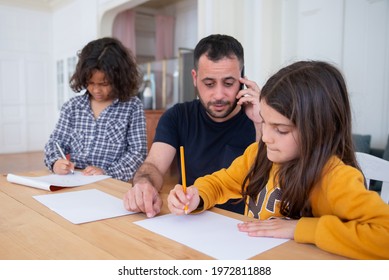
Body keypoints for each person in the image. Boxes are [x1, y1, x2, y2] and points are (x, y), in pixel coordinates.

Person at [167, 60, 389, 259]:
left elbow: (384, 234)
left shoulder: (334, 177)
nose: (266, 137)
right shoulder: (258, 154)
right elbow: (220, 183)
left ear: (319, 130)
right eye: (264, 122)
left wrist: (300, 228)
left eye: (281, 130)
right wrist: (197, 195)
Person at [123, 34, 262, 217]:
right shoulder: (178, 116)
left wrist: (262, 121)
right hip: (192, 218)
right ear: (195, 78)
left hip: (242, 223)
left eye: (228, 83)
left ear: (242, 79)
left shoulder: (259, 118)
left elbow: (267, 176)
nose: (219, 94)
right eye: (209, 83)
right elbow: (154, 166)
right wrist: (144, 185)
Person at [44, 37, 147, 182]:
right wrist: (55, 162)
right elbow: (55, 142)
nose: (96, 90)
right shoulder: (72, 107)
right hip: (75, 179)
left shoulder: (132, 107)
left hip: (112, 182)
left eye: (104, 84)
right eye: (90, 83)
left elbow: (137, 153)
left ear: (119, 79)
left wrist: (107, 172)